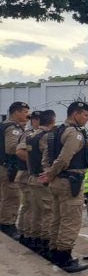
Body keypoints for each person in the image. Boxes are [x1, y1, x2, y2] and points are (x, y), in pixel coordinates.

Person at [39, 101, 88, 273]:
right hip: (70, 182)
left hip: (57, 182)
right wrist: (52, 173)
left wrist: (49, 173)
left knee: (57, 219)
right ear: (75, 114)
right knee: (71, 221)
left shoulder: (55, 132)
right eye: (85, 115)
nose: (87, 119)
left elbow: (45, 158)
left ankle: (55, 251)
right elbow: (64, 158)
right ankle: (65, 257)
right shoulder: (74, 133)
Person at [24, 110, 56, 258]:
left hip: (32, 178)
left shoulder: (32, 136)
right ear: (52, 121)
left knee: (36, 212)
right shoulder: (45, 137)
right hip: (42, 179)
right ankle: (46, 244)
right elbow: (47, 159)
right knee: (48, 212)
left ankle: (34, 240)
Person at [0, 101, 30, 238]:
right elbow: (12, 148)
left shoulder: (4, 125)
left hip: (4, 166)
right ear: (16, 112)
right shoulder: (13, 127)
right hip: (8, 167)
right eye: (24, 112)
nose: (27, 115)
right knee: (12, 197)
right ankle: (7, 224)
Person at [14, 110, 41, 247]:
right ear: (35, 121)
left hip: (26, 174)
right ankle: (28, 234)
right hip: (26, 173)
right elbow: (20, 151)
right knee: (31, 206)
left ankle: (25, 233)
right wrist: (36, 163)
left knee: (28, 206)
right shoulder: (30, 134)